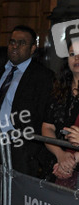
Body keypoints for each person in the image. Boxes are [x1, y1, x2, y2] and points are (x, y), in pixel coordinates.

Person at [0, 25, 54, 177]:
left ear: (32, 48)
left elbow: (42, 113)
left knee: (17, 190)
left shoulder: (42, 76)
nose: (15, 47)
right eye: (12, 42)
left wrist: (31, 150)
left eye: (22, 43)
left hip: (22, 148)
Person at [42, 37, 79, 189]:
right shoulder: (59, 90)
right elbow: (47, 127)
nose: (76, 58)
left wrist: (72, 160)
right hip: (56, 163)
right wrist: (60, 155)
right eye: (72, 54)